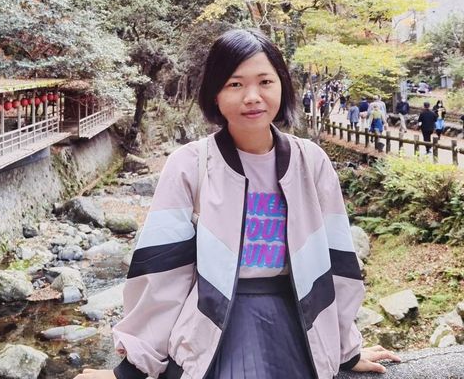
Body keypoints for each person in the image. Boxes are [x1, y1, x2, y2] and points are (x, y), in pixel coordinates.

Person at [75, 29, 400, 379]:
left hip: (297, 322)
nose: (252, 97)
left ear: (282, 87)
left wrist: (345, 350)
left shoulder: (311, 161)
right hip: (214, 323)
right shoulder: (190, 164)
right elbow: (163, 271)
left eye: (265, 81)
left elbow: (335, 263)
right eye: (234, 84)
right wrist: (133, 368)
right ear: (215, 93)